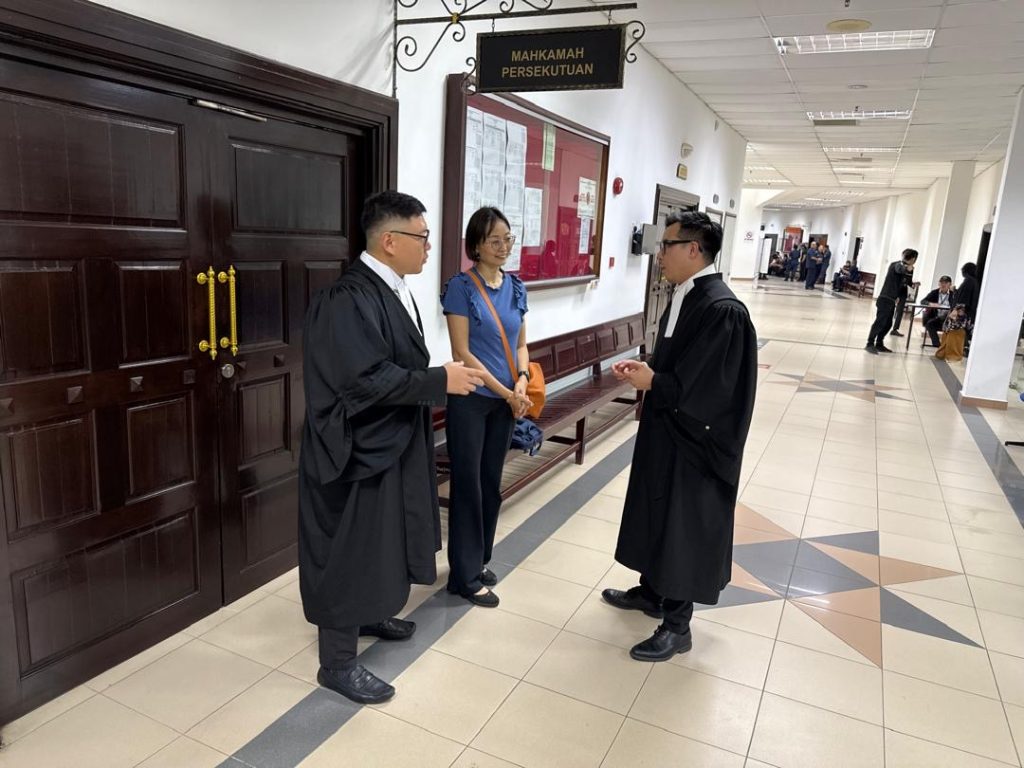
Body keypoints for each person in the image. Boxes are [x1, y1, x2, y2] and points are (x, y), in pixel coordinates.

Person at [298, 191, 486, 705]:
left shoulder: (391, 288)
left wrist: (434, 380)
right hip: (358, 450)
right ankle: (336, 663)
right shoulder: (347, 298)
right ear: (389, 240)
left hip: (392, 440)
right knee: (352, 549)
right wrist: (438, 380)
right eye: (422, 237)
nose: (429, 247)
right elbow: (363, 380)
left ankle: (373, 611)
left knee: (383, 542)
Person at [601, 211, 758, 662]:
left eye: (665, 246)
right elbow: (675, 365)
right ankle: (653, 592)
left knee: (683, 524)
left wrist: (658, 383)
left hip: (695, 441)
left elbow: (710, 389)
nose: (658, 255)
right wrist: (647, 373)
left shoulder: (722, 310)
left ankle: (677, 623)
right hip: (667, 431)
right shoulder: (686, 295)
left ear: (693, 250)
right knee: (657, 510)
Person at [441, 207, 532, 608]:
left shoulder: (516, 288)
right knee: (468, 485)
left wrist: (524, 380)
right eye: (494, 241)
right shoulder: (460, 287)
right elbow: (461, 351)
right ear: (475, 245)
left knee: (490, 483)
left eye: (508, 239)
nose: (503, 247)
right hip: (472, 400)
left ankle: (478, 561)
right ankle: (463, 576)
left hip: (505, 401)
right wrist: (505, 391)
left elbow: (521, 344)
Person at [866, 248, 918, 354]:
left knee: (888, 324)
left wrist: (911, 281)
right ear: (913, 258)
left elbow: (905, 283)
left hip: (892, 300)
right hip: (885, 298)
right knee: (880, 322)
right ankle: (870, 343)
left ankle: (879, 343)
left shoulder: (909, 269)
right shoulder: (896, 264)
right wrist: (907, 267)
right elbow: (899, 269)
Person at [921, 275, 956, 347]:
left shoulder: (953, 294)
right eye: (941, 282)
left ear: (950, 284)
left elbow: (957, 305)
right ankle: (937, 345)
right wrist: (930, 303)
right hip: (937, 318)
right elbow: (923, 301)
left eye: (946, 283)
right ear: (939, 283)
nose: (943, 285)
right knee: (929, 324)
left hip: (949, 319)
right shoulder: (935, 292)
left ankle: (949, 346)